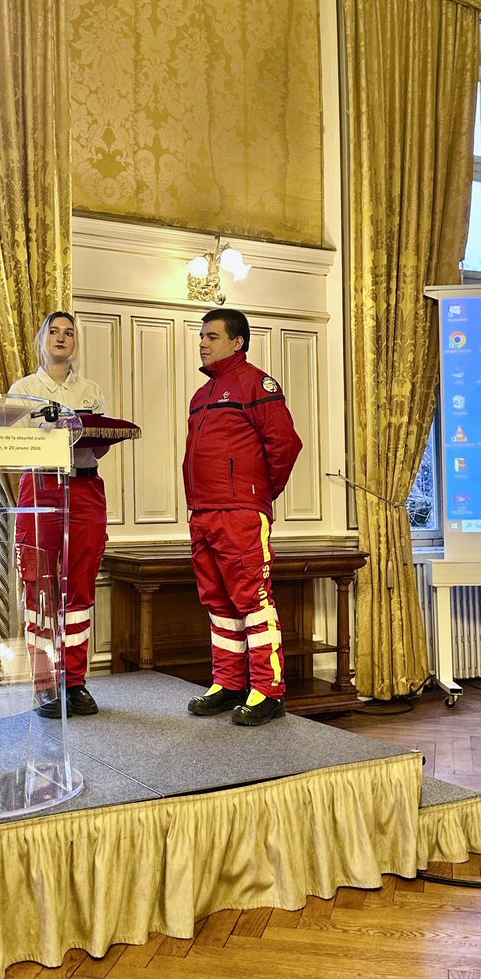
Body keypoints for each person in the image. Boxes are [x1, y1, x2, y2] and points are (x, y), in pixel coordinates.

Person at [183, 308, 302, 726]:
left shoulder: (257, 383)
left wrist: (258, 495)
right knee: (219, 603)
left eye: (212, 336)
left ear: (237, 342)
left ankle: (268, 691)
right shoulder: (202, 395)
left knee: (253, 601)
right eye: (202, 336)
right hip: (203, 512)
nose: (202, 343)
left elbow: (285, 445)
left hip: (240, 514)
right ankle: (229, 683)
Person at [9, 311, 108, 717]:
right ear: (42, 339)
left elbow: (100, 444)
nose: (62, 338)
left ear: (76, 342)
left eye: (69, 333)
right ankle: (44, 684)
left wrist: (93, 435)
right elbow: (13, 443)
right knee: (40, 589)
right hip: (41, 484)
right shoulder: (24, 389)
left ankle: (76, 682)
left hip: (85, 486)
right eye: (54, 331)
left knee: (80, 588)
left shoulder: (91, 391)